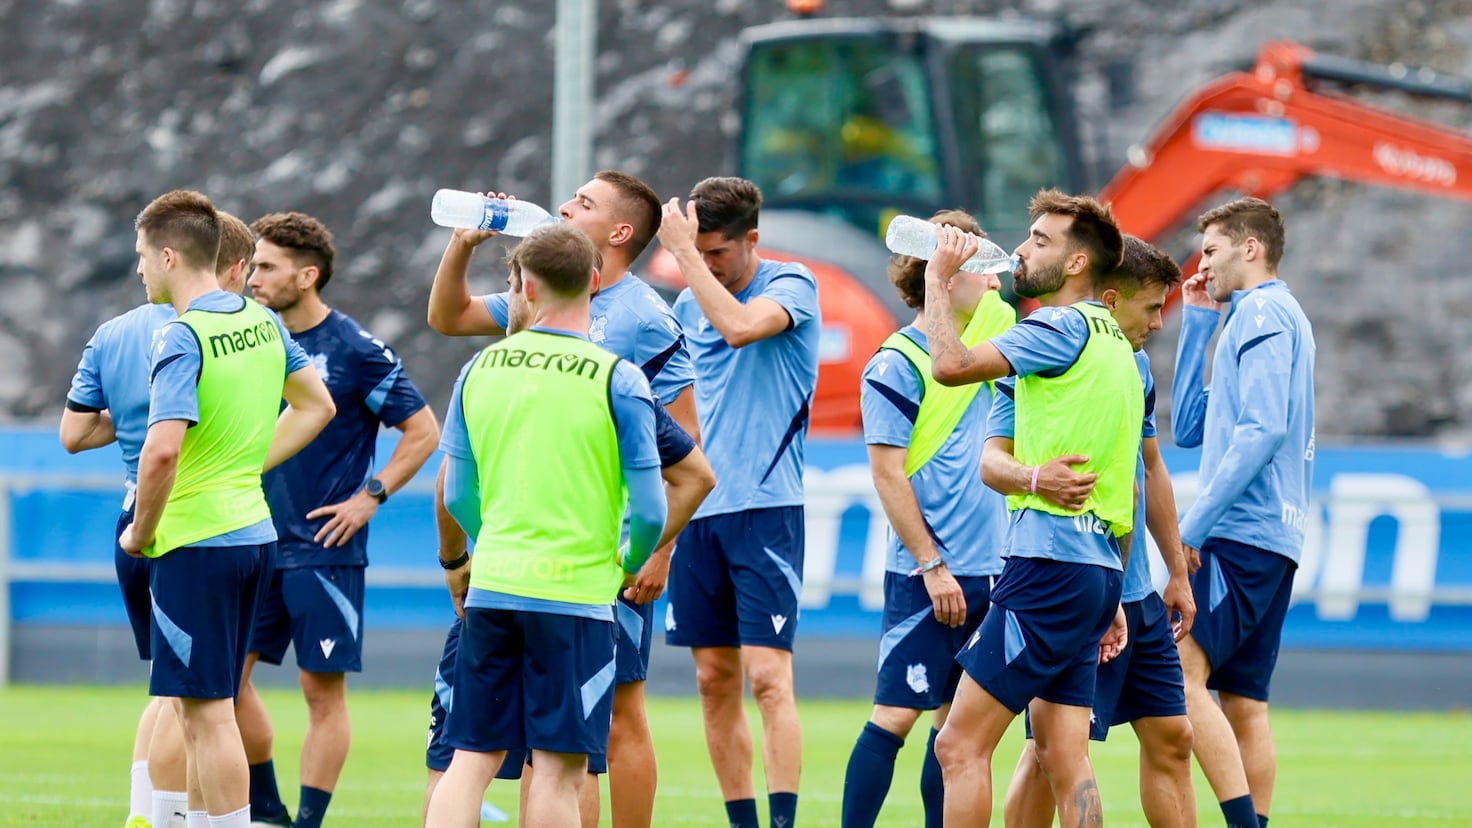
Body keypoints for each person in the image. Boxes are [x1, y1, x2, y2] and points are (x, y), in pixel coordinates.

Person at [424, 170, 699, 828]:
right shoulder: (549, 294)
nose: (565, 204)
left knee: (612, 721)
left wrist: (656, 551)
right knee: (561, 753)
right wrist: (463, 244)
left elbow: (685, 437)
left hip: (551, 561)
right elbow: (449, 317)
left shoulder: (643, 319)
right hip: (576, 571)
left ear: (619, 233)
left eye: (584, 201)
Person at [118, 189, 334, 828]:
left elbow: (160, 454)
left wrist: (141, 532)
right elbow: (316, 404)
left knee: (207, 711)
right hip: (252, 535)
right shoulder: (260, 321)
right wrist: (243, 465)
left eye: (140, 256)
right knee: (203, 707)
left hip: (194, 542)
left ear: (167, 255)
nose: (138, 270)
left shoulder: (183, 337)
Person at [919, 189, 1132, 828]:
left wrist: (936, 276)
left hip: (1046, 567)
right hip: (1092, 572)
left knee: (958, 745)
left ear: (1074, 265)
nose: (1019, 248)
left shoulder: (1055, 327)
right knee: (1063, 759)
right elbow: (1000, 465)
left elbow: (950, 365)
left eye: (1040, 240)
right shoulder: (1117, 346)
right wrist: (1107, 586)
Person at [233, 211, 440, 828]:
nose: (253, 279)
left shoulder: (354, 349)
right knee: (223, 681)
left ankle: (307, 821)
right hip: (250, 537)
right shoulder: (251, 339)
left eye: (267, 267)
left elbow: (422, 431)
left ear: (308, 274)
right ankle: (265, 805)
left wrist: (369, 496)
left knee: (321, 693)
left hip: (323, 547)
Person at [61, 211, 259, 828]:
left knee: (172, 685)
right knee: (198, 702)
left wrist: (137, 415)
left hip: (137, 510)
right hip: (194, 521)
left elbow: (72, 433)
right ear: (229, 264)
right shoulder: (234, 330)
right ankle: (163, 816)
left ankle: (146, 812)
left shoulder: (115, 331)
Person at [993, 236, 1198, 827]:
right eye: (1152, 308)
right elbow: (995, 460)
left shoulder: (1133, 366)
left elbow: (1149, 468)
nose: (1160, 323)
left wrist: (1176, 572)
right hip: (1081, 575)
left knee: (1172, 736)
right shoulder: (1048, 357)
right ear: (1110, 298)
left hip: (1133, 589)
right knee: (1053, 751)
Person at [839, 210, 1014, 828]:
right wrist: (932, 565)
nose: (994, 285)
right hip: (929, 576)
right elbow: (887, 474)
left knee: (957, 732)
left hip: (997, 573)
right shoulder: (896, 362)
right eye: (980, 273)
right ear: (941, 277)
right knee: (894, 717)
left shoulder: (994, 354)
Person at [657, 176, 820, 828]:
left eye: (718, 252)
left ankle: (783, 822)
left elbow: (741, 327)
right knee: (712, 682)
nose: (707, 263)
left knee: (768, 679)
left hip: (767, 509)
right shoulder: (685, 303)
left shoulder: (791, 284)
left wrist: (687, 260)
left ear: (752, 239)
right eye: (700, 253)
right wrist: (663, 531)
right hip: (701, 514)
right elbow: (670, 407)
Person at [1171, 198, 1315, 828]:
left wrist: (1190, 528)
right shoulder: (1265, 317)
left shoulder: (1261, 311)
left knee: (1180, 675)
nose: (1201, 267)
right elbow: (1186, 428)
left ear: (1248, 248)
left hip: (1239, 531)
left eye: (1210, 251)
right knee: (1246, 701)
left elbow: (1259, 431)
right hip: (1276, 536)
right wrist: (1199, 324)